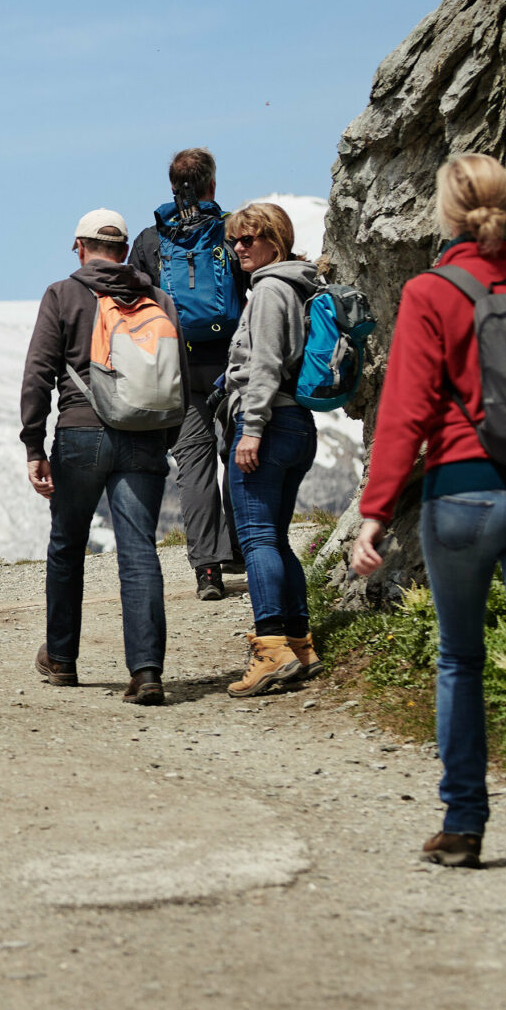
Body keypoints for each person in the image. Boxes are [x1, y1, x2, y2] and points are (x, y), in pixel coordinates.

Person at [349, 154, 506, 868]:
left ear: (447, 214)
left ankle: (463, 824)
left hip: (460, 498)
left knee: (460, 657)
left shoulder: (432, 291)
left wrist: (375, 512)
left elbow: (406, 411)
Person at [21, 209, 177, 703]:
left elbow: (38, 373)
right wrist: (163, 437)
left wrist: (33, 444)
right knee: (139, 551)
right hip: (144, 435)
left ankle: (62, 659)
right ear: (125, 251)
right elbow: (175, 374)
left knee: (68, 545)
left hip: (81, 433)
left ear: (79, 248)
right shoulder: (158, 299)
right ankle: (146, 672)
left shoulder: (62, 294)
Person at [130, 148, 249, 600]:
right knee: (239, 452)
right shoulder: (232, 232)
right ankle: (242, 547)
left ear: (171, 186)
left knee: (194, 467)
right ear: (212, 185)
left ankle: (208, 571)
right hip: (231, 364)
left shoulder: (150, 240)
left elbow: (136, 304)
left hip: (178, 368)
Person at [219, 201, 324, 697]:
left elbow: (264, 365)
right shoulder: (301, 286)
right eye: (234, 240)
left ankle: (271, 649)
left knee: (257, 538)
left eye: (249, 239)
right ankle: (301, 644)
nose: (239, 248)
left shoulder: (268, 290)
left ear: (274, 241)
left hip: (267, 422)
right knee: (276, 538)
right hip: (298, 424)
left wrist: (252, 429)